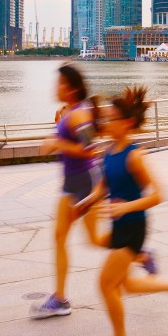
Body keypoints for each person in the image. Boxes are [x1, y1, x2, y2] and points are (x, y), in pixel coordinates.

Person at [89, 86, 168, 336]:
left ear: (125, 123)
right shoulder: (109, 151)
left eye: (111, 119)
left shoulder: (135, 155)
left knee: (105, 284)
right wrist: (84, 203)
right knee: (125, 285)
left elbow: (159, 194)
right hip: (119, 226)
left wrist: (126, 206)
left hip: (133, 227)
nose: (106, 123)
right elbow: (104, 187)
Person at [32, 64, 106, 319]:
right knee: (60, 237)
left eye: (61, 83)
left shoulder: (80, 115)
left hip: (84, 180)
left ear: (72, 88)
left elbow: (90, 149)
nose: (57, 87)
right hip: (72, 181)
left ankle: (139, 251)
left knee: (93, 240)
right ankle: (60, 298)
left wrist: (58, 142)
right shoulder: (70, 112)